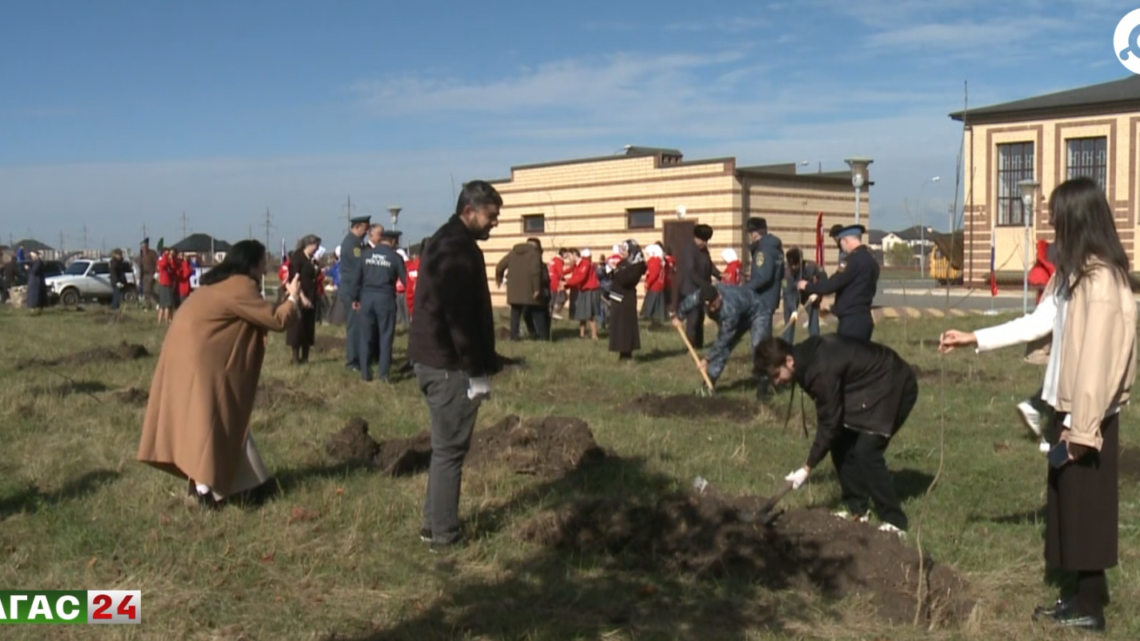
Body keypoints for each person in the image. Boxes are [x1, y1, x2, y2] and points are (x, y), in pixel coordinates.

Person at [938, 177, 1136, 631]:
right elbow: (1036, 323)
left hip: (1090, 414)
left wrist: (1083, 431)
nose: (1051, 223)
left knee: (1086, 511)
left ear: (1078, 218)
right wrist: (975, 338)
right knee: (1070, 509)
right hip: (1068, 408)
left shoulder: (1102, 282)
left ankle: (1091, 610)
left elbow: (1098, 364)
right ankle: (1081, 596)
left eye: (1057, 216)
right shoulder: (1072, 276)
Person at [137, 240, 302, 508]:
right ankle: (208, 491)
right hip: (204, 363)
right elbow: (275, 320)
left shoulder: (220, 284)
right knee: (211, 422)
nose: (264, 269)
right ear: (251, 263)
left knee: (201, 423)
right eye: (262, 263)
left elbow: (256, 312)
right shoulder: (241, 286)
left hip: (186, 357)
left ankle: (221, 485)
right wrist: (293, 297)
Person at [408, 180, 502, 552]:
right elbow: (459, 316)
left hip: (437, 359)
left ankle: (433, 526)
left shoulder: (445, 240)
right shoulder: (457, 248)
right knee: (450, 451)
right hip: (448, 365)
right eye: (491, 216)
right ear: (469, 212)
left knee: (444, 449)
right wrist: (476, 371)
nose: (495, 223)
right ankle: (444, 537)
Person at [755, 335, 918, 535]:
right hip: (870, 389)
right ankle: (856, 506)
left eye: (776, 374)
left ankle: (895, 521)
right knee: (839, 443)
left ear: (789, 361)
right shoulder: (805, 362)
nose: (776, 382)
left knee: (867, 452)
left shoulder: (819, 368)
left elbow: (829, 422)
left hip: (895, 383)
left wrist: (807, 467)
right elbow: (831, 420)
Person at [673, 282, 768, 390]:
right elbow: (690, 301)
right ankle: (709, 382)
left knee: (758, 347)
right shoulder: (704, 294)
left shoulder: (730, 309)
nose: (711, 309)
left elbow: (723, 340)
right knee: (724, 350)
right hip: (740, 314)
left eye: (714, 306)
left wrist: (707, 359)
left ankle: (763, 382)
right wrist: (679, 316)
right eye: (708, 307)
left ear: (719, 296)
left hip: (758, 313)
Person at [800, 224, 879, 341]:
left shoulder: (851, 261)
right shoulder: (872, 261)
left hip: (851, 322)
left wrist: (807, 286)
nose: (841, 247)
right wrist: (832, 308)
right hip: (864, 318)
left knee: (847, 356)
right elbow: (855, 291)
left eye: (840, 242)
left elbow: (832, 284)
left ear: (846, 240)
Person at [351, 229, 407, 382]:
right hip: (386, 298)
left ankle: (365, 372)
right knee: (386, 336)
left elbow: (356, 279)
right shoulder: (395, 258)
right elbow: (406, 280)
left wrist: (355, 298)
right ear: (393, 241)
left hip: (366, 297)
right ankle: (383, 374)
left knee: (365, 336)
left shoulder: (365, 255)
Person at [744, 217, 784, 399]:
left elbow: (764, 277)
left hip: (762, 302)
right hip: (770, 299)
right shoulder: (775, 248)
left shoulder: (764, 250)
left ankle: (763, 385)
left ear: (754, 233)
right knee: (764, 343)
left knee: (760, 346)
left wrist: (745, 289)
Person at [495, 237, 549, 341]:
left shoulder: (513, 253)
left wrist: (499, 278)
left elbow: (500, 266)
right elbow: (535, 272)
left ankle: (514, 336)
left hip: (514, 291)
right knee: (537, 312)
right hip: (530, 291)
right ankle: (543, 337)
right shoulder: (535, 254)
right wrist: (537, 289)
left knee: (515, 314)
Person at [677, 224, 719, 348]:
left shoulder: (704, 251)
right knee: (693, 318)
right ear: (696, 238)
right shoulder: (689, 250)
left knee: (700, 317)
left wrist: (720, 274)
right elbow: (691, 272)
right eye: (703, 240)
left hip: (701, 289)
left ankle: (699, 344)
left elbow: (709, 266)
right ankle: (691, 345)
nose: (705, 243)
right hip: (690, 289)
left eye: (707, 241)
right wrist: (705, 285)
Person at [338, 216, 372, 372]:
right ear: (357, 227)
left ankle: (359, 357)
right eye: (365, 229)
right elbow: (359, 267)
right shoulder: (353, 245)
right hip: (352, 289)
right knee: (354, 326)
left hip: (354, 288)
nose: (367, 232)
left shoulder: (356, 243)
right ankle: (353, 361)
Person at [608, 239, 648, 360]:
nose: (622, 252)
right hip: (617, 298)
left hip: (626, 300)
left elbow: (626, 280)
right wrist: (612, 271)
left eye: (625, 250)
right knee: (618, 327)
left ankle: (626, 354)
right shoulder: (625, 262)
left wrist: (616, 271)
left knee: (625, 328)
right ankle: (621, 352)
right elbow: (617, 275)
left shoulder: (637, 265)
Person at [286, 235, 321, 365]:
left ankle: (305, 357)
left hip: (311, 295)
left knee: (308, 326)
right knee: (297, 327)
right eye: (315, 246)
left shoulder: (312, 260)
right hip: (300, 295)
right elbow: (294, 279)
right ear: (309, 245)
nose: (317, 249)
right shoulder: (297, 258)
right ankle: (295, 357)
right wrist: (301, 297)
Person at [782, 247, 825, 343]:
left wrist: (817, 292)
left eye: (796, 264)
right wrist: (793, 309)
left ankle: (815, 343)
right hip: (792, 295)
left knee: (813, 316)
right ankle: (787, 346)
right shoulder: (786, 273)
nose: (794, 267)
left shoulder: (811, 266)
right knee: (790, 320)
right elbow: (787, 293)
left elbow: (823, 277)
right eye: (791, 265)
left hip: (808, 294)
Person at [566, 248, 600, 340]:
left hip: (590, 290)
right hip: (583, 290)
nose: (567, 258)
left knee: (590, 313)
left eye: (569, 256)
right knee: (582, 313)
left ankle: (594, 335)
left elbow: (580, 278)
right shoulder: (577, 265)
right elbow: (572, 275)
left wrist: (566, 283)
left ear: (574, 255)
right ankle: (582, 334)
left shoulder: (585, 264)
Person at [640, 243, 667, 325]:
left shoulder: (655, 261)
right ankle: (655, 320)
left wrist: (648, 283)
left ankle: (652, 319)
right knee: (656, 304)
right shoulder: (659, 261)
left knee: (652, 304)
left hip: (654, 286)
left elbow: (654, 274)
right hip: (658, 285)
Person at [139, 238, 158, 310]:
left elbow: (157, 263)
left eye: (144, 246)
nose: (143, 248)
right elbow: (140, 266)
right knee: (145, 291)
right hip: (144, 275)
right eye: (142, 246)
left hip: (151, 273)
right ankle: (148, 305)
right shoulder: (141, 255)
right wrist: (140, 277)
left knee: (149, 289)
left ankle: (156, 302)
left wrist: (156, 272)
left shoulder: (152, 253)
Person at [108, 249, 129, 313]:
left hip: (120, 280)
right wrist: (117, 281)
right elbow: (113, 273)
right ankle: (114, 307)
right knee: (116, 295)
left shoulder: (119, 262)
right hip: (116, 282)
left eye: (121, 254)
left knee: (118, 294)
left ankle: (116, 306)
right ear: (115, 255)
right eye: (119, 254)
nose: (120, 256)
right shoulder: (114, 262)